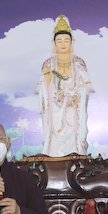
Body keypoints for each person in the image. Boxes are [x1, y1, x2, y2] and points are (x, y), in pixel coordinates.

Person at [36, 14, 94, 156]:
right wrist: (48, 79)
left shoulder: (79, 62)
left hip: (74, 109)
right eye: (59, 41)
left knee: (75, 133)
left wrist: (78, 95)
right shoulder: (48, 63)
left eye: (66, 40)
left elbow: (86, 86)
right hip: (54, 110)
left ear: (71, 42)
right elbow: (43, 88)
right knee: (53, 135)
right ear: (54, 43)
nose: (63, 44)